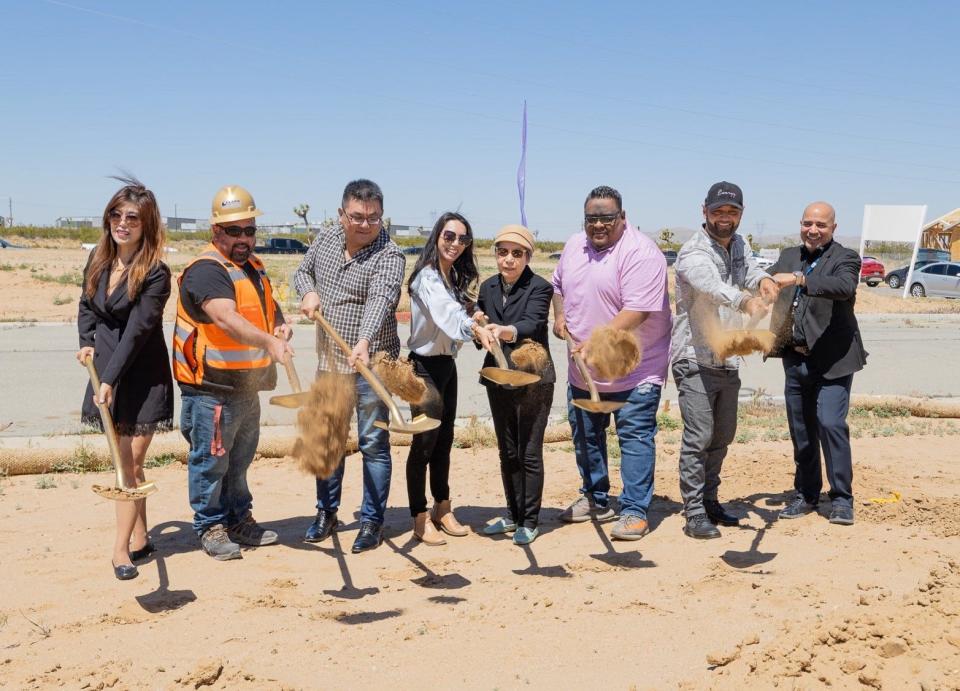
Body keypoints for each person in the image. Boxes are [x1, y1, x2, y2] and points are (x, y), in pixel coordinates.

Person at [173, 185, 293, 561]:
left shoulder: (252, 267)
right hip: (211, 389)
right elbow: (226, 317)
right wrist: (271, 345)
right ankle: (210, 526)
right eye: (234, 231)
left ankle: (239, 519)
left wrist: (281, 326)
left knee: (239, 463)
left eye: (249, 230)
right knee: (211, 463)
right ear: (216, 232)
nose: (244, 239)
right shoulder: (206, 271)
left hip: (245, 386)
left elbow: (265, 308)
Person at [552, 185, 672, 540]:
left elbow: (637, 310)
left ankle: (634, 510)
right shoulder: (575, 245)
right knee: (586, 436)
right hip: (584, 369)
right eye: (592, 218)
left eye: (607, 218)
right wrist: (559, 318)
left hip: (636, 370)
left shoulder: (642, 253)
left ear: (622, 217)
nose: (599, 225)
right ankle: (595, 498)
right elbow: (558, 286)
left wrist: (596, 342)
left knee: (634, 437)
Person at [294, 179, 405, 553]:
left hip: (372, 363)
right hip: (330, 362)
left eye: (373, 218)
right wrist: (308, 292)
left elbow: (381, 299)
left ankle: (372, 521)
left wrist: (364, 341)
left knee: (374, 443)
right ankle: (326, 512)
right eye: (357, 217)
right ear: (342, 215)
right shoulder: (325, 239)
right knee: (327, 441)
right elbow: (301, 273)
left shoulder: (389, 255)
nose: (365, 224)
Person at [76, 177, 173, 581]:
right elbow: (86, 305)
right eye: (116, 214)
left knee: (128, 462)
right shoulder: (98, 260)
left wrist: (109, 379)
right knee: (130, 464)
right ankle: (141, 537)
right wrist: (85, 344)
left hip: (142, 376)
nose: (122, 223)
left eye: (132, 217)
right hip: (104, 371)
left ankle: (119, 551)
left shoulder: (156, 273)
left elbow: (137, 330)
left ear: (146, 224)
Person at [670, 181, 779, 540]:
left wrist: (762, 281)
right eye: (718, 212)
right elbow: (711, 285)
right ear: (705, 211)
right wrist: (746, 302)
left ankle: (710, 500)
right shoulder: (693, 252)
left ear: (740, 214)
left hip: (727, 357)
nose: (725, 218)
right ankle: (694, 511)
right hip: (694, 358)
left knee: (722, 435)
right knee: (699, 435)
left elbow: (747, 270)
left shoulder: (739, 244)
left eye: (732, 212)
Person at [766, 201, 867, 526]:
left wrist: (799, 279)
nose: (813, 229)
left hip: (834, 360)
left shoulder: (846, 258)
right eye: (808, 223)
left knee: (830, 423)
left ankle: (841, 499)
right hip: (795, 358)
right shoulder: (787, 255)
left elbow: (844, 287)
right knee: (802, 430)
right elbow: (766, 285)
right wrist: (759, 293)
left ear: (833, 228)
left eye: (821, 225)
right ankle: (806, 494)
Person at [404, 212, 493, 546]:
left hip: (446, 367)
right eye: (449, 236)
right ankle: (419, 516)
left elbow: (458, 310)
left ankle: (443, 507)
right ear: (437, 236)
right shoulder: (427, 277)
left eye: (462, 239)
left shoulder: (450, 275)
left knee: (444, 440)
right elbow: (446, 314)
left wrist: (474, 315)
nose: (456, 243)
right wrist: (471, 326)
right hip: (423, 369)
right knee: (424, 443)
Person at [478, 224, 555, 546]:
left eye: (517, 253)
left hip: (533, 378)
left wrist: (505, 330)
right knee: (507, 450)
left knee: (529, 452)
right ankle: (512, 515)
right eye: (502, 252)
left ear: (527, 256)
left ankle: (531, 520)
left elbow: (533, 322)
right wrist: (478, 327)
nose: (508, 259)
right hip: (498, 376)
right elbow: (481, 329)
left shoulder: (540, 287)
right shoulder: (488, 287)